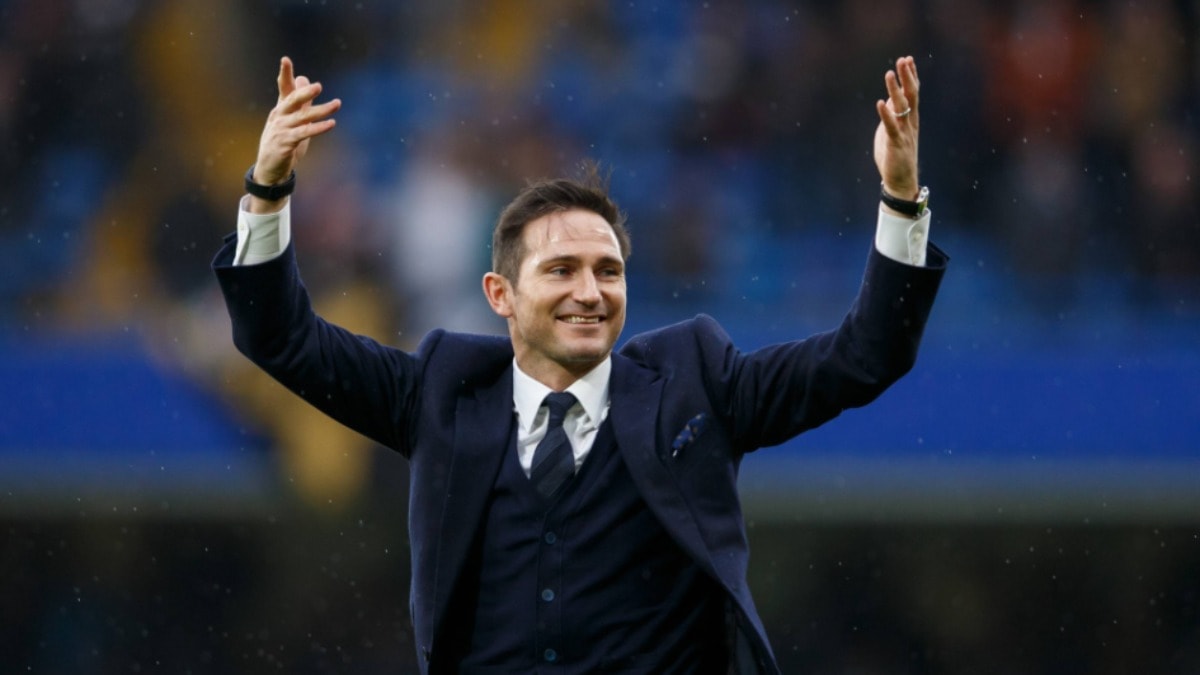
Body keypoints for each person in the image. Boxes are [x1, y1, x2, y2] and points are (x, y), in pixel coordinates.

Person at [213, 55, 946, 674]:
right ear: (500, 294)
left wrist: (900, 199)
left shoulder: (696, 383)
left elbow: (865, 354)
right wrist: (268, 189)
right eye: (562, 270)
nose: (590, 292)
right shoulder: (442, 391)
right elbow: (281, 338)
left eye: (608, 270)